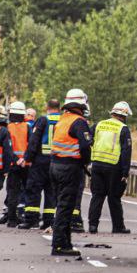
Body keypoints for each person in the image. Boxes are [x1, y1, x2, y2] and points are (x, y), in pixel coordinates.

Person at [49, 89, 93, 256]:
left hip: (55, 166)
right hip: (69, 168)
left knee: (62, 205)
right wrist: (86, 163)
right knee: (66, 207)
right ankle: (59, 245)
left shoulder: (62, 120)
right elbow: (84, 146)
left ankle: (65, 242)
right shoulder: (79, 122)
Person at [87, 101, 133, 234]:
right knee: (114, 197)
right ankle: (118, 227)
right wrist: (125, 172)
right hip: (114, 167)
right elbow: (126, 151)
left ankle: (93, 226)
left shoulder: (99, 125)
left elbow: (88, 140)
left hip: (97, 165)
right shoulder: (123, 128)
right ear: (124, 116)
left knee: (97, 196)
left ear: (112, 113)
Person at [18, 98, 62, 230]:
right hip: (57, 161)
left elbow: (34, 141)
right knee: (51, 192)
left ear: (47, 107)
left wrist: (27, 158)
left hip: (40, 162)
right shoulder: (64, 120)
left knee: (33, 190)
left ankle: (31, 219)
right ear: (59, 108)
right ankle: (49, 221)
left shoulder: (43, 120)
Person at [2, 101, 30, 227]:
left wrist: (15, 159)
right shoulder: (28, 127)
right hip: (26, 165)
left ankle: (12, 219)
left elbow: (8, 147)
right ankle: (27, 218)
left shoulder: (7, 128)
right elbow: (31, 144)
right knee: (28, 191)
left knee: (12, 192)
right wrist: (24, 159)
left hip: (13, 165)